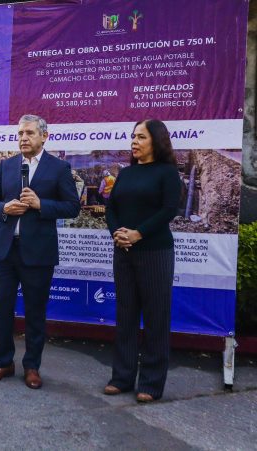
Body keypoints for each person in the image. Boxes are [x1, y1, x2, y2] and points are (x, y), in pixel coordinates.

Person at [0, 114, 80, 389]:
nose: (23, 138)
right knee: (3, 309)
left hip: (38, 253)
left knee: (35, 312)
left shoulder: (59, 168)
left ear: (44, 136)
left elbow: (72, 207)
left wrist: (41, 204)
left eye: (29, 133)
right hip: (5, 251)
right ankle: (3, 362)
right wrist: (4, 208)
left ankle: (32, 366)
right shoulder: (7, 165)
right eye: (20, 133)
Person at [103, 119, 181, 403]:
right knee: (126, 314)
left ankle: (151, 382)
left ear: (156, 141)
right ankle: (121, 378)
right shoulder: (126, 174)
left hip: (155, 252)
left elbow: (168, 210)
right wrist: (117, 233)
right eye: (133, 136)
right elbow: (111, 208)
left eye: (141, 137)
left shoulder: (167, 173)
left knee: (155, 316)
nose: (134, 142)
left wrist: (138, 233)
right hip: (123, 251)